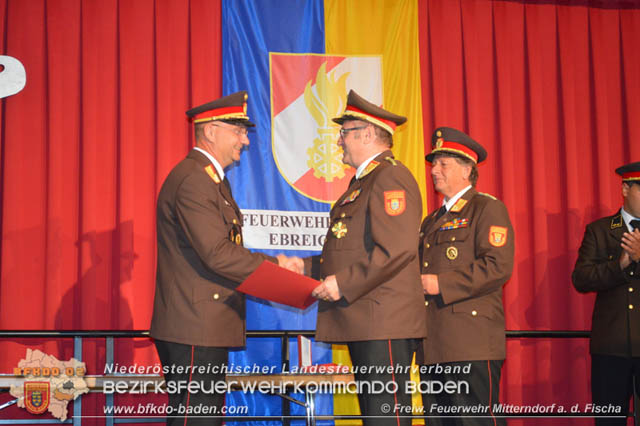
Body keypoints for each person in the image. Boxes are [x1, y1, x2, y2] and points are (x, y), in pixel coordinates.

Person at [150, 91, 301, 426]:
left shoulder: (210, 181)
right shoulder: (194, 181)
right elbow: (217, 254)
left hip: (201, 324)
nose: (245, 141)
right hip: (194, 327)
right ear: (211, 130)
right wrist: (276, 267)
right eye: (238, 130)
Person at [305, 90, 427, 426]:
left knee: (386, 418)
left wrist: (341, 283)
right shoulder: (364, 182)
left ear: (368, 134)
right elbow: (348, 251)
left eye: (345, 132)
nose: (339, 141)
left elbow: (396, 248)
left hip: (383, 321)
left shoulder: (389, 176)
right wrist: (300, 267)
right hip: (368, 319)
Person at [418, 127, 514, 426]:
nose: (434, 170)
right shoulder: (432, 219)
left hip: (470, 342)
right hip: (432, 343)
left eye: (443, 163)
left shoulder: (487, 208)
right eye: (434, 164)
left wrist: (439, 283)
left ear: (467, 170)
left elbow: (497, 266)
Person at [572, 161, 640, 426]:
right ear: (625, 188)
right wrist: (620, 264)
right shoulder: (599, 230)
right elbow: (581, 279)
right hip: (611, 347)